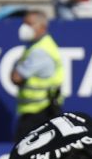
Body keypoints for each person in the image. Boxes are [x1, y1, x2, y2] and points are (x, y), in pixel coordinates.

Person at [11, 10, 65, 141]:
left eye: (29, 24)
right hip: (40, 110)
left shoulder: (40, 51)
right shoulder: (39, 45)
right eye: (24, 23)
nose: (24, 28)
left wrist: (15, 67)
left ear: (42, 27)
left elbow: (16, 77)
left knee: (24, 155)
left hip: (39, 112)